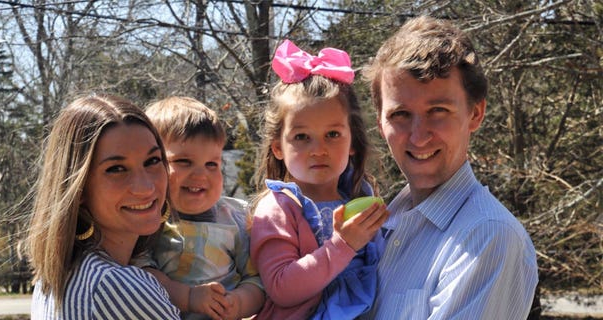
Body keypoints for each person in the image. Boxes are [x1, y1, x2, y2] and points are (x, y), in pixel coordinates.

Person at [360, 16, 538, 319]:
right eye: (400, 114)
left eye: (438, 111)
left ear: (475, 114)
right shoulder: (379, 229)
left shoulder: (488, 238)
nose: (419, 135)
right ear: (380, 124)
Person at [249, 40, 390, 320]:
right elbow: (281, 288)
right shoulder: (277, 208)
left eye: (333, 135)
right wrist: (343, 246)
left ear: (352, 141)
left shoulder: (361, 196)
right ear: (278, 147)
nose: (319, 149)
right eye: (302, 137)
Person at [25, 93, 181, 319]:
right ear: (78, 189)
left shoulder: (52, 280)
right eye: (116, 169)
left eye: (153, 161)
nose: (146, 187)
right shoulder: (115, 285)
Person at [131, 96, 265, 320]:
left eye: (212, 164)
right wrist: (189, 297)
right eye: (183, 161)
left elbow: (256, 279)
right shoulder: (150, 217)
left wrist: (239, 303)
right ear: (154, 164)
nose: (201, 174)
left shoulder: (236, 217)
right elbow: (143, 274)